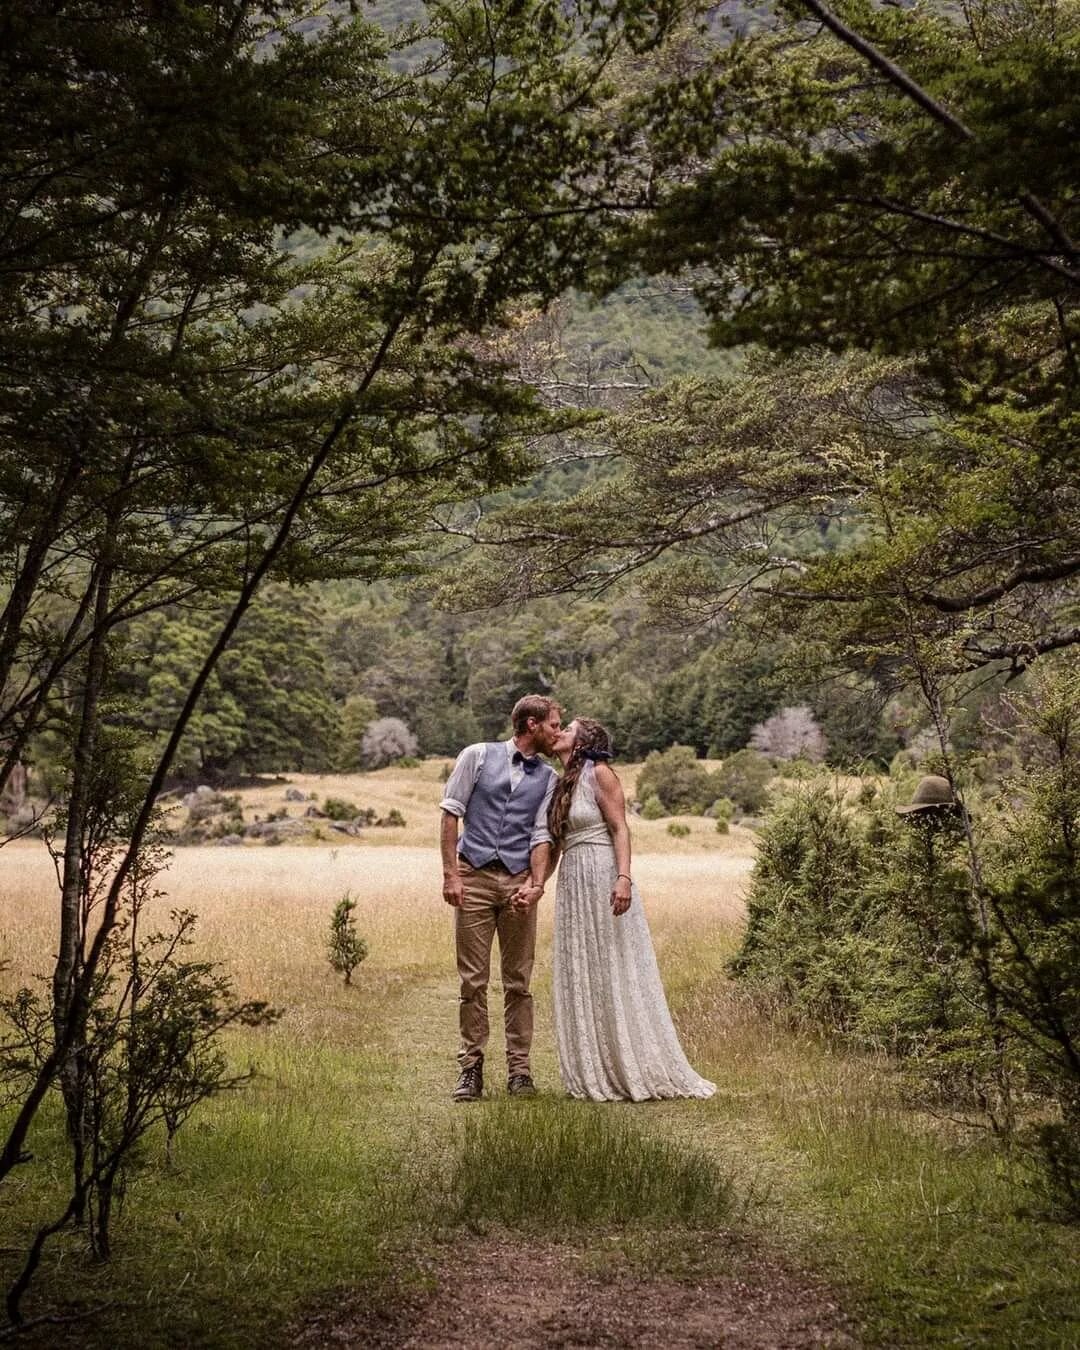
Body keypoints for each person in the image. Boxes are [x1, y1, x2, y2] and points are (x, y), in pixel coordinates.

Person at [537, 716, 716, 1103]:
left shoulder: (600, 774)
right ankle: (592, 1069)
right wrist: (537, 885)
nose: (560, 733)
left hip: (602, 873)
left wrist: (623, 878)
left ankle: (631, 1064)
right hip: (573, 879)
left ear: (583, 742)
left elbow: (620, 828)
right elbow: (554, 843)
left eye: (567, 729)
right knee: (582, 965)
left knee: (612, 964)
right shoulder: (560, 782)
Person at [440, 694, 561, 1102]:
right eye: (554, 725)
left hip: (517, 883)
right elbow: (451, 813)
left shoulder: (549, 778)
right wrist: (451, 874)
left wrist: (536, 884)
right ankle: (471, 1068)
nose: (557, 733)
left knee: (519, 982)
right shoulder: (476, 756)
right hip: (472, 877)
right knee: (473, 980)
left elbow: (541, 834)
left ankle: (520, 1071)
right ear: (532, 725)